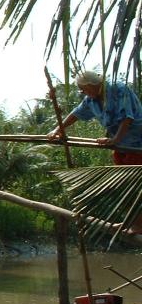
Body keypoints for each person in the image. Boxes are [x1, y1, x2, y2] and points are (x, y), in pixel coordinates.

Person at [47, 70, 142, 232]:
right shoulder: (91, 100)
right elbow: (76, 113)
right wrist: (58, 129)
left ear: (90, 85)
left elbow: (128, 117)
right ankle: (131, 223)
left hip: (136, 144)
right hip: (120, 146)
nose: (82, 93)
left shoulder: (119, 89)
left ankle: (138, 225)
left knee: (135, 186)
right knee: (123, 185)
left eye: (82, 89)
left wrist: (115, 139)